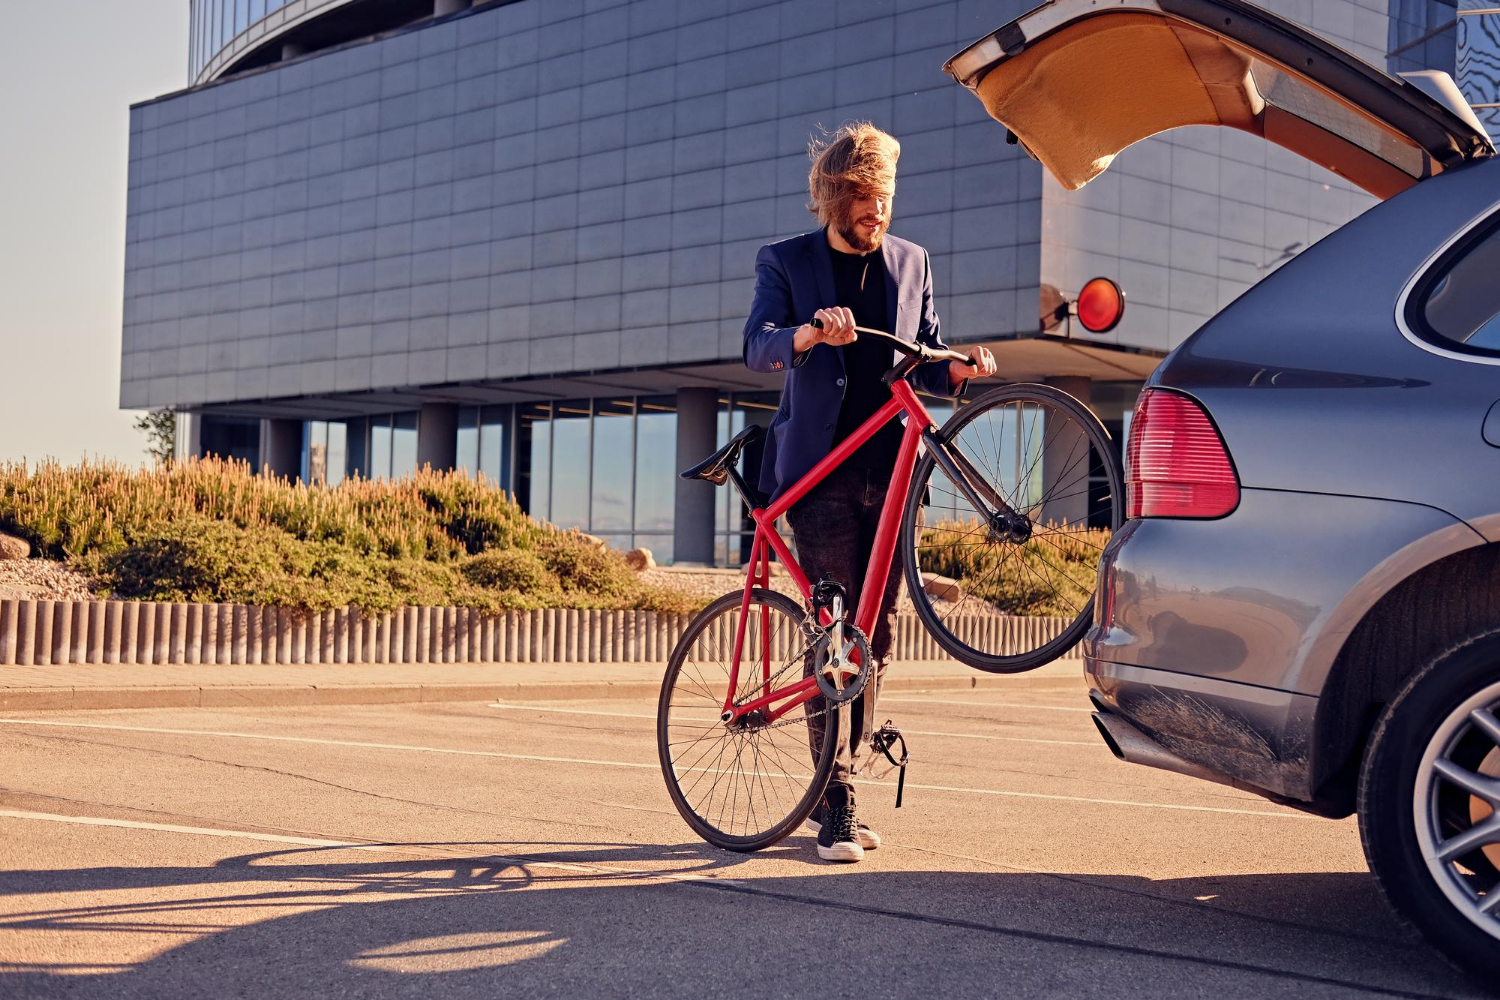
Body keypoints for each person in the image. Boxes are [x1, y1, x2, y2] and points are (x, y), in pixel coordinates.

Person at [742, 122, 997, 862]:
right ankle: (837, 807)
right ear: (832, 197)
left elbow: (927, 350)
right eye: (860, 196)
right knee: (837, 635)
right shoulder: (787, 261)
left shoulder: (912, 260)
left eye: (882, 195)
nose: (875, 209)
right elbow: (758, 344)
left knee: (875, 639)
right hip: (819, 473)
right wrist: (807, 335)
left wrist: (960, 367)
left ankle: (842, 775)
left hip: (889, 474)